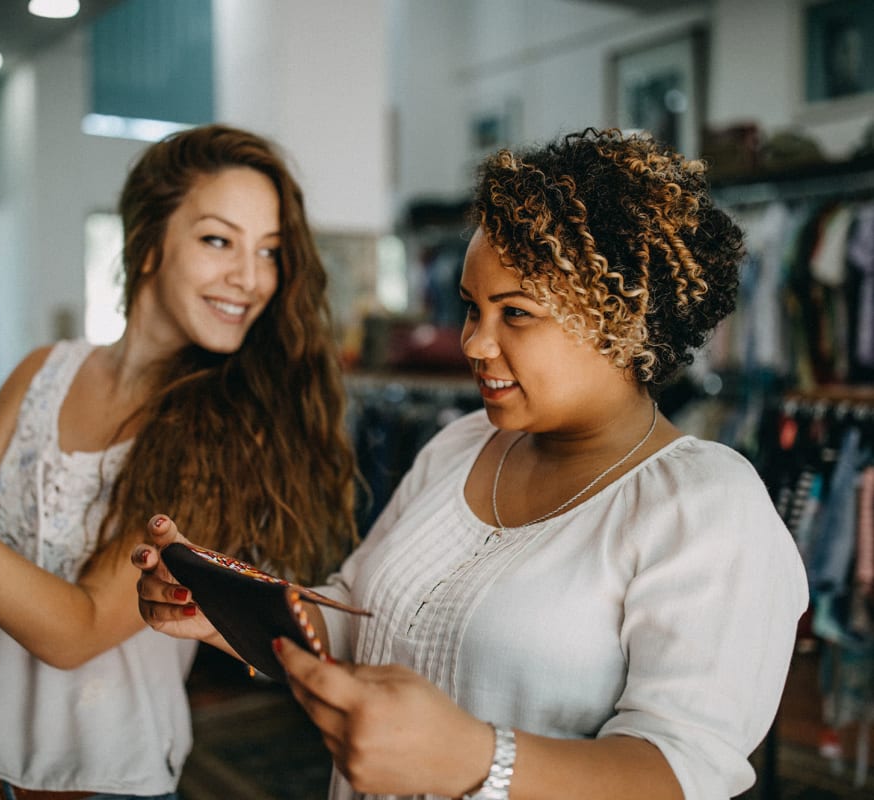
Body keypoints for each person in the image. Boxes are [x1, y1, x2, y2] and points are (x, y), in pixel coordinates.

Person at [134, 128, 809, 800]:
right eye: (471, 307)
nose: (473, 343)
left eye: (515, 314)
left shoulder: (705, 506)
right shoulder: (460, 446)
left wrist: (477, 760)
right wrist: (231, 610)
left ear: (623, 322)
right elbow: (354, 621)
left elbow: (684, 770)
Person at [0, 124, 357, 798]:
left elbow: (75, 632)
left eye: (270, 251)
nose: (251, 278)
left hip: (98, 785)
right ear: (148, 245)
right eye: (218, 240)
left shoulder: (223, 433)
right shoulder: (46, 370)